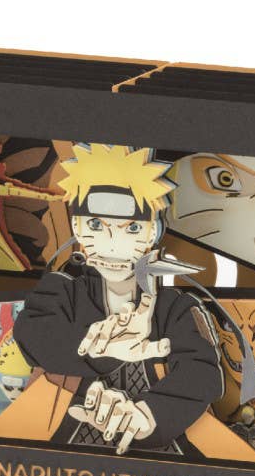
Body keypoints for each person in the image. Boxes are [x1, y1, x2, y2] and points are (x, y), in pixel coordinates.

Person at [13, 143, 224, 455]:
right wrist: (98, 349)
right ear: (77, 227)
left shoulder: (178, 309)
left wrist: (146, 417)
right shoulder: (61, 289)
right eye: (96, 225)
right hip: (60, 447)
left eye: (132, 228)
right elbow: (32, 335)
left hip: (160, 454)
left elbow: (202, 374)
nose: (112, 245)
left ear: (154, 231)